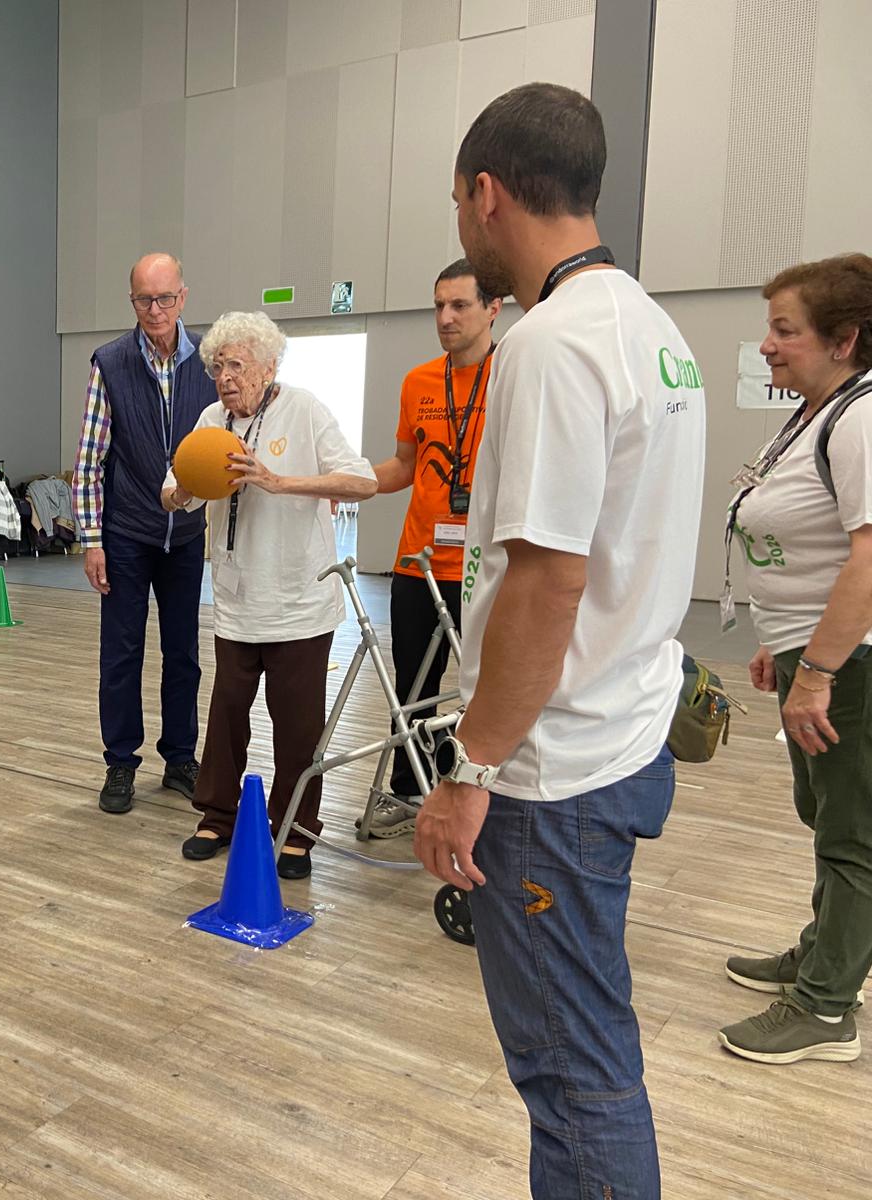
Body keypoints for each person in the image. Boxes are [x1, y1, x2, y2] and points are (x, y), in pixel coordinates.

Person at [413, 84, 705, 1197]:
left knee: (573, 1077)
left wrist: (469, 770)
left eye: (455, 202)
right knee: (590, 1052)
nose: (459, 223)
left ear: (486, 196)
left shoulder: (548, 344)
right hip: (621, 738)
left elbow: (545, 582)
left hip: (552, 775)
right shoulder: (655, 331)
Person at [718, 253, 872, 1065]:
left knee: (853, 831)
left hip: (853, 665)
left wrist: (818, 668)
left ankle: (827, 1006)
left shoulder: (862, 419)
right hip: (816, 653)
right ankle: (824, 952)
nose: (768, 346)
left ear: (845, 338)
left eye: (785, 330)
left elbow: (869, 559)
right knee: (828, 818)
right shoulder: (819, 412)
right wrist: (787, 648)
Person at [161, 311, 376, 878]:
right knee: (227, 715)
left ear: (268, 367)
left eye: (237, 365)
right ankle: (215, 817)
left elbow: (362, 481)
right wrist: (186, 487)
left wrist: (278, 481)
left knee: (298, 724)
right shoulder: (211, 419)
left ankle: (297, 830)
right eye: (217, 367)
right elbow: (171, 494)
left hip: (300, 603)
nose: (225, 378)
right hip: (236, 598)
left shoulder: (303, 410)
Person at [365, 259, 502, 838]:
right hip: (416, 564)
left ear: (494, 308)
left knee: (486, 690)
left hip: (486, 568)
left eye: (460, 306)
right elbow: (403, 465)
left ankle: (483, 797)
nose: (445, 318)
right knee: (413, 689)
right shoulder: (419, 381)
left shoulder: (516, 374)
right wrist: (337, 484)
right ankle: (407, 790)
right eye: (438, 306)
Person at [74, 253, 214, 814]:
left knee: (183, 652)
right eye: (142, 300)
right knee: (121, 653)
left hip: (186, 536)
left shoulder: (210, 359)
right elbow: (89, 460)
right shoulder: (109, 362)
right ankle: (120, 763)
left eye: (164, 299)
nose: (154, 311)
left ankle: (181, 758)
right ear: (131, 301)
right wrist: (92, 540)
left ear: (183, 297)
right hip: (126, 534)